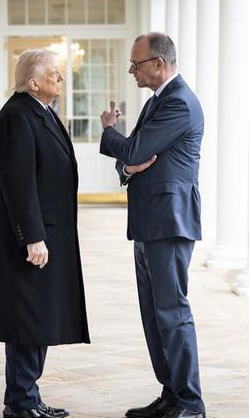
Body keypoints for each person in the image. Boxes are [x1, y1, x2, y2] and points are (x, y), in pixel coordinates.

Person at [99, 33, 206, 418]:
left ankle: (190, 403)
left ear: (159, 63)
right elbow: (131, 159)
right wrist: (127, 164)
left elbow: (133, 149)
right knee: (153, 314)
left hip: (169, 223)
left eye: (137, 63)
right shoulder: (158, 101)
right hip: (149, 223)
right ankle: (171, 395)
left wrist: (109, 131)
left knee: (172, 313)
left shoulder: (178, 102)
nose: (132, 70)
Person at [0, 49, 90, 418]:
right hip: (31, 240)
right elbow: (19, 185)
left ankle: (28, 397)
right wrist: (32, 236)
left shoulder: (39, 111)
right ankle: (21, 402)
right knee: (26, 319)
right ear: (33, 82)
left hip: (47, 234)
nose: (60, 78)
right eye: (54, 74)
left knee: (38, 318)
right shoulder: (18, 117)